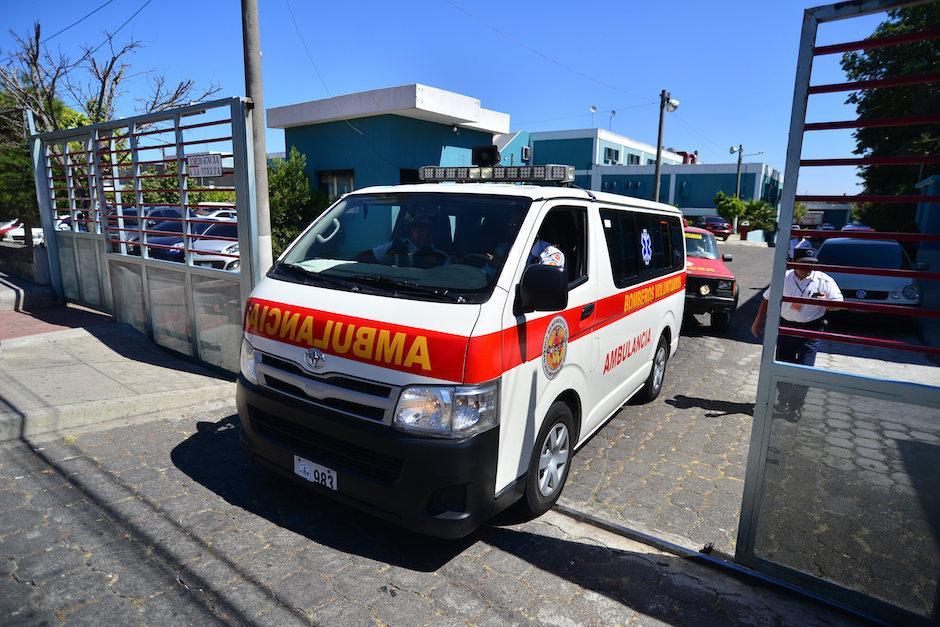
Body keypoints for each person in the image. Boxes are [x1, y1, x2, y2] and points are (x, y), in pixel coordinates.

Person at [751, 252, 843, 421]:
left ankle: (796, 406)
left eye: (811, 264)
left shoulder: (824, 281)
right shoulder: (784, 277)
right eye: (804, 264)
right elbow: (766, 299)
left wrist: (825, 302)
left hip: (811, 330)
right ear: (794, 263)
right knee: (782, 365)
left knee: (804, 369)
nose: (808, 268)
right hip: (787, 327)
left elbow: (838, 305)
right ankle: (784, 399)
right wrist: (758, 320)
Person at [372, 214, 448, 267]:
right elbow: (366, 257)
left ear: (434, 234)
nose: (424, 236)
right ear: (412, 231)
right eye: (420, 231)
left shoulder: (441, 257)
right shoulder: (395, 246)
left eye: (428, 232)